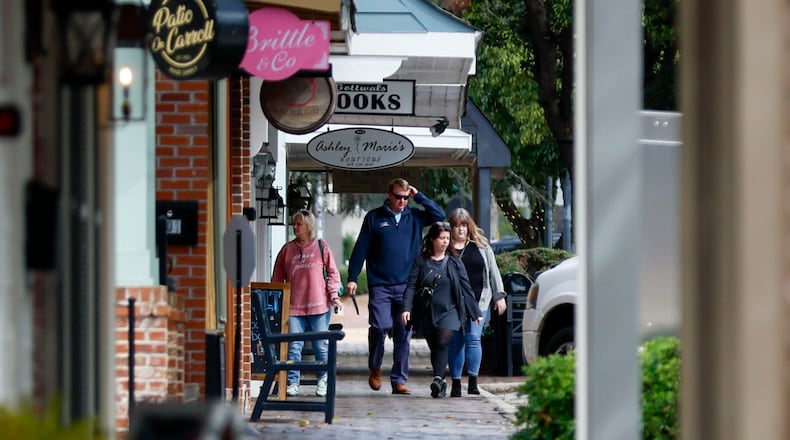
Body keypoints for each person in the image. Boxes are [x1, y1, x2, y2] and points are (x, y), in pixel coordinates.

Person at [346, 178, 445, 395]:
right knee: (379, 327)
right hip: (380, 284)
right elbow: (361, 248)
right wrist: (353, 277)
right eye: (398, 197)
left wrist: (418, 196)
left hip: (407, 286)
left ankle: (399, 379)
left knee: (403, 333)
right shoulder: (374, 218)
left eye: (405, 197)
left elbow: (439, 216)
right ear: (389, 195)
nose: (402, 201)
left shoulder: (415, 217)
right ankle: (375, 367)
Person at [401, 221, 484, 398]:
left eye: (447, 238)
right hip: (427, 311)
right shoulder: (421, 262)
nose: (445, 241)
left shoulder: (454, 262)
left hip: (450, 311)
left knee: (442, 342)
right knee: (435, 347)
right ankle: (440, 381)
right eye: (441, 238)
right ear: (432, 239)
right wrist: (406, 308)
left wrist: (475, 311)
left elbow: (466, 287)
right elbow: (411, 286)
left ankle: (438, 378)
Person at [272, 209, 343, 398]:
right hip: (294, 308)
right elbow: (277, 281)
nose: (295, 227)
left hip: (319, 306)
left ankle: (323, 380)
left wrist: (334, 295)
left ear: (308, 226)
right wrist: (275, 304)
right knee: (294, 346)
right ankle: (293, 382)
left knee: (320, 345)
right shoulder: (287, 250)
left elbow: (334, 274)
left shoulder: (321, 246)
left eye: (299, 224)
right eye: (294, 224)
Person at [446, 208, 507, 397]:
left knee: (473, 338)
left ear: (469, 226)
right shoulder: (445, 247)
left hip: (479, 301)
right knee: (456, 342)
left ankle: (473, 381)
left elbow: (493, 271)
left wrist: (499, 296)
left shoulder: (481, 246)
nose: (461, 230)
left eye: (464, 225)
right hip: (453, 303)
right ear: (451, 228)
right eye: (457, 226)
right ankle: (456, 382)